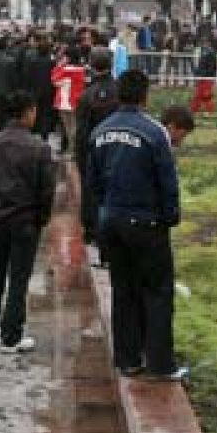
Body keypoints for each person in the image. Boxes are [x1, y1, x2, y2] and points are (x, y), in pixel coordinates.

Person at [90, 70, 187, 382]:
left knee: (123, 290)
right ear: (145, 96)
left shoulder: (100, 131)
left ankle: (128, 358)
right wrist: (170, 216)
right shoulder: (154, 133)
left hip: (112, 221)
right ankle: (160, 362)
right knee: (157, 292)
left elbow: (92, 181)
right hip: (146, 223)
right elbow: (167, 181)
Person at [0, 90, 56, 355]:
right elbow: (46, 190)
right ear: (28, 112)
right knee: (18, 277)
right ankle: (11, 334)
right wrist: (41, 217)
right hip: (26, 220)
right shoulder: (39, 148)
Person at [72, 48, 119, 247]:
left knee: (90, 190)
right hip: (118, 149)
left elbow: (81, 133)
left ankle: (92, 230)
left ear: (91, 65)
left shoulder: (86, 95)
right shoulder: (120, 90)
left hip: (93, 152)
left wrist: (80, 157)